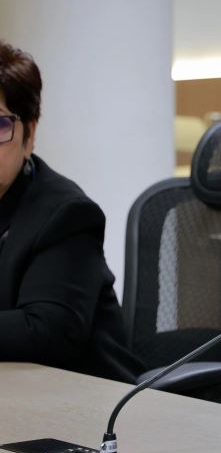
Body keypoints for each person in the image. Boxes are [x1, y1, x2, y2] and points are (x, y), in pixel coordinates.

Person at [0, 40, 142, 382]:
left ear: (30, 134)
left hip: (83, 399)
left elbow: (46, 330)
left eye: (0, 126)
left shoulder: (66, 215)